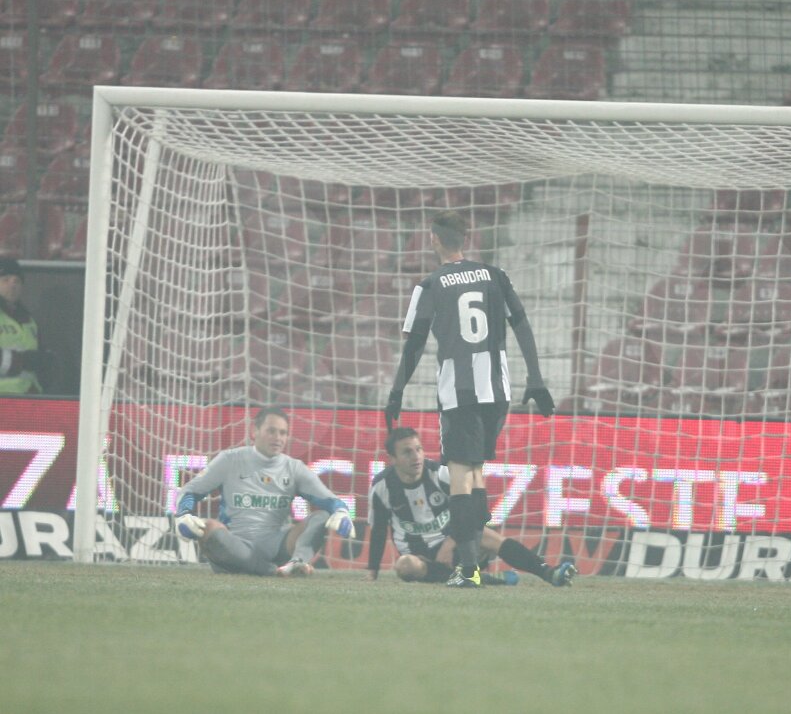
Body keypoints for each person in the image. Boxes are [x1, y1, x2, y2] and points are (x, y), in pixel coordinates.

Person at [384, 210, 555, 588]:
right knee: (475, 478)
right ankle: (476, 563)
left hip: (460, 393)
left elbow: (413, 346)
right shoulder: (496, 276)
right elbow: (522, 324)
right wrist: (537, 379)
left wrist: (396, 392)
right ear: (466, 238)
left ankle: (469, 571)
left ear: (434, 239)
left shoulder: (430, 285)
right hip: (498, 392)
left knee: (461, 480)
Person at [365, 427, 577, 586]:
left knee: (485, 534)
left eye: (418, 449)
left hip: (456, 547)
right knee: (404, 566)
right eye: (407, 452)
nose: (416, 457)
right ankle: (483, 578)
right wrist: (372, 571)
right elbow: (378, 531)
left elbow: (474, 510)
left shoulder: (440, 474)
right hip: (420, 558)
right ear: (392, 459)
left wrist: (451, 543)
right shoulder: (382, 486)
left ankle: (548, 572)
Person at [173, 406, 357, 577]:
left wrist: (341, 512)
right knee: (208, 528)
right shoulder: (229, 460)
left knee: (322, 517)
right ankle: (270, 571)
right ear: (254, 431)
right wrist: (183, 514)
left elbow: (330, 501)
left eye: (283, 433)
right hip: (236, 546)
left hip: (277, 546)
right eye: (271, 431)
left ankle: (297, 563)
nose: (278, 437)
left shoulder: (294, 468)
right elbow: (190, 491)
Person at [0, 258, 46, 394]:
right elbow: (28, 361)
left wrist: (46, 364)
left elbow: (38, 359)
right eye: (6, 280)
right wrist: (22, 362)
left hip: (28, 400)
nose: (12, 285)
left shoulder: (29, 320)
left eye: (17, 281)